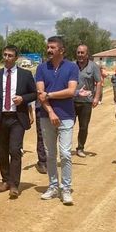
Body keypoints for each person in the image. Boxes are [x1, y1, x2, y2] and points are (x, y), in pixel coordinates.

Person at [0, 45, 37, 198]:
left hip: (17, 118)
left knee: (14, 150)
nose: (7, 58)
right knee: (2, 152)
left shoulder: (25, 75)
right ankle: (5, 180)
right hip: (0, 118)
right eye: (5, 55)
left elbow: (34, 93)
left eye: (10, 55)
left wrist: (23, 99)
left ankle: (15, 184)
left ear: (16, 58)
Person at [36, 36, 79, 205]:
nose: (49, 50)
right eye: (48, 47)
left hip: (67, 115)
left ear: (61, 50)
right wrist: (51, 111)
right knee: (50, 154)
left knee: (66, 154)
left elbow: (71, 91)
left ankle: (66, 188)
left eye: (52, 47)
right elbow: (40, 93)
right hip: (47, 116)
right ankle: (53, 186)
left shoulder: (72, 67)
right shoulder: (41, 68)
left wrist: (51, 95)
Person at [73, 44, 101, 158]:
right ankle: (64, 148)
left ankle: (80, 148)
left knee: (83, 127)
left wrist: (96, 97)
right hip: (71, 101)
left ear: (87, 54)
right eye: (78, 52)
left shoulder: (93, 66)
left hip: (86, 102)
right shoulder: (71, 66)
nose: (80, 55)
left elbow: (98, 82)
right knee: (67, 125)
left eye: (82, 52)